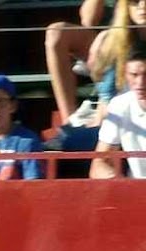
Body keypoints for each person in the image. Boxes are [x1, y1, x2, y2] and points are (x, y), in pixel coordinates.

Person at [46, 0, 111, 124]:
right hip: (101, 41)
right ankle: (69, 120)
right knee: (56, 33)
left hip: (133, 33)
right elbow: (88, 21)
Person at [91, 48, 146, 176]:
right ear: (126, 75)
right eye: (134, 75)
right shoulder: (119, 105)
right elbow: (99, 164)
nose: (140, 82)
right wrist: (116, 180)